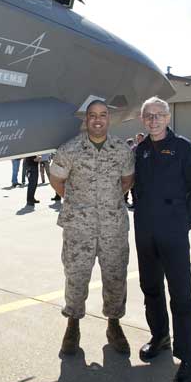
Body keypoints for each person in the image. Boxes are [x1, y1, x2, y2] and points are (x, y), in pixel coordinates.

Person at [49, 100, 134, 356]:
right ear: (86, 120)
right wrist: (80, 204)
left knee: (116, 277)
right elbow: (57, 181)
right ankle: (72, 325)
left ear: (109, 119)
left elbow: (127, 181)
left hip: (113, 227)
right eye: (93, 115)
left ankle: (114, 325)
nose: (98, 120)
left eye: (103, 115)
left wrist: (106, 204)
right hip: (79, 228)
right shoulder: (69, 149)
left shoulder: (121, 149)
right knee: (76, 277)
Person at [134, 97, 191, 382]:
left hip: (173, 232)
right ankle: (160, 336)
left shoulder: (183, 148)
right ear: (143, 120)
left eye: (159, 115)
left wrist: (183, 223)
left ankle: (188, 358)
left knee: (181, 294)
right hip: (145, 232)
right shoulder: (140, 151)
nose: (153, 120)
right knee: (150, 287)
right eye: (148, 116)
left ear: (167, 117)